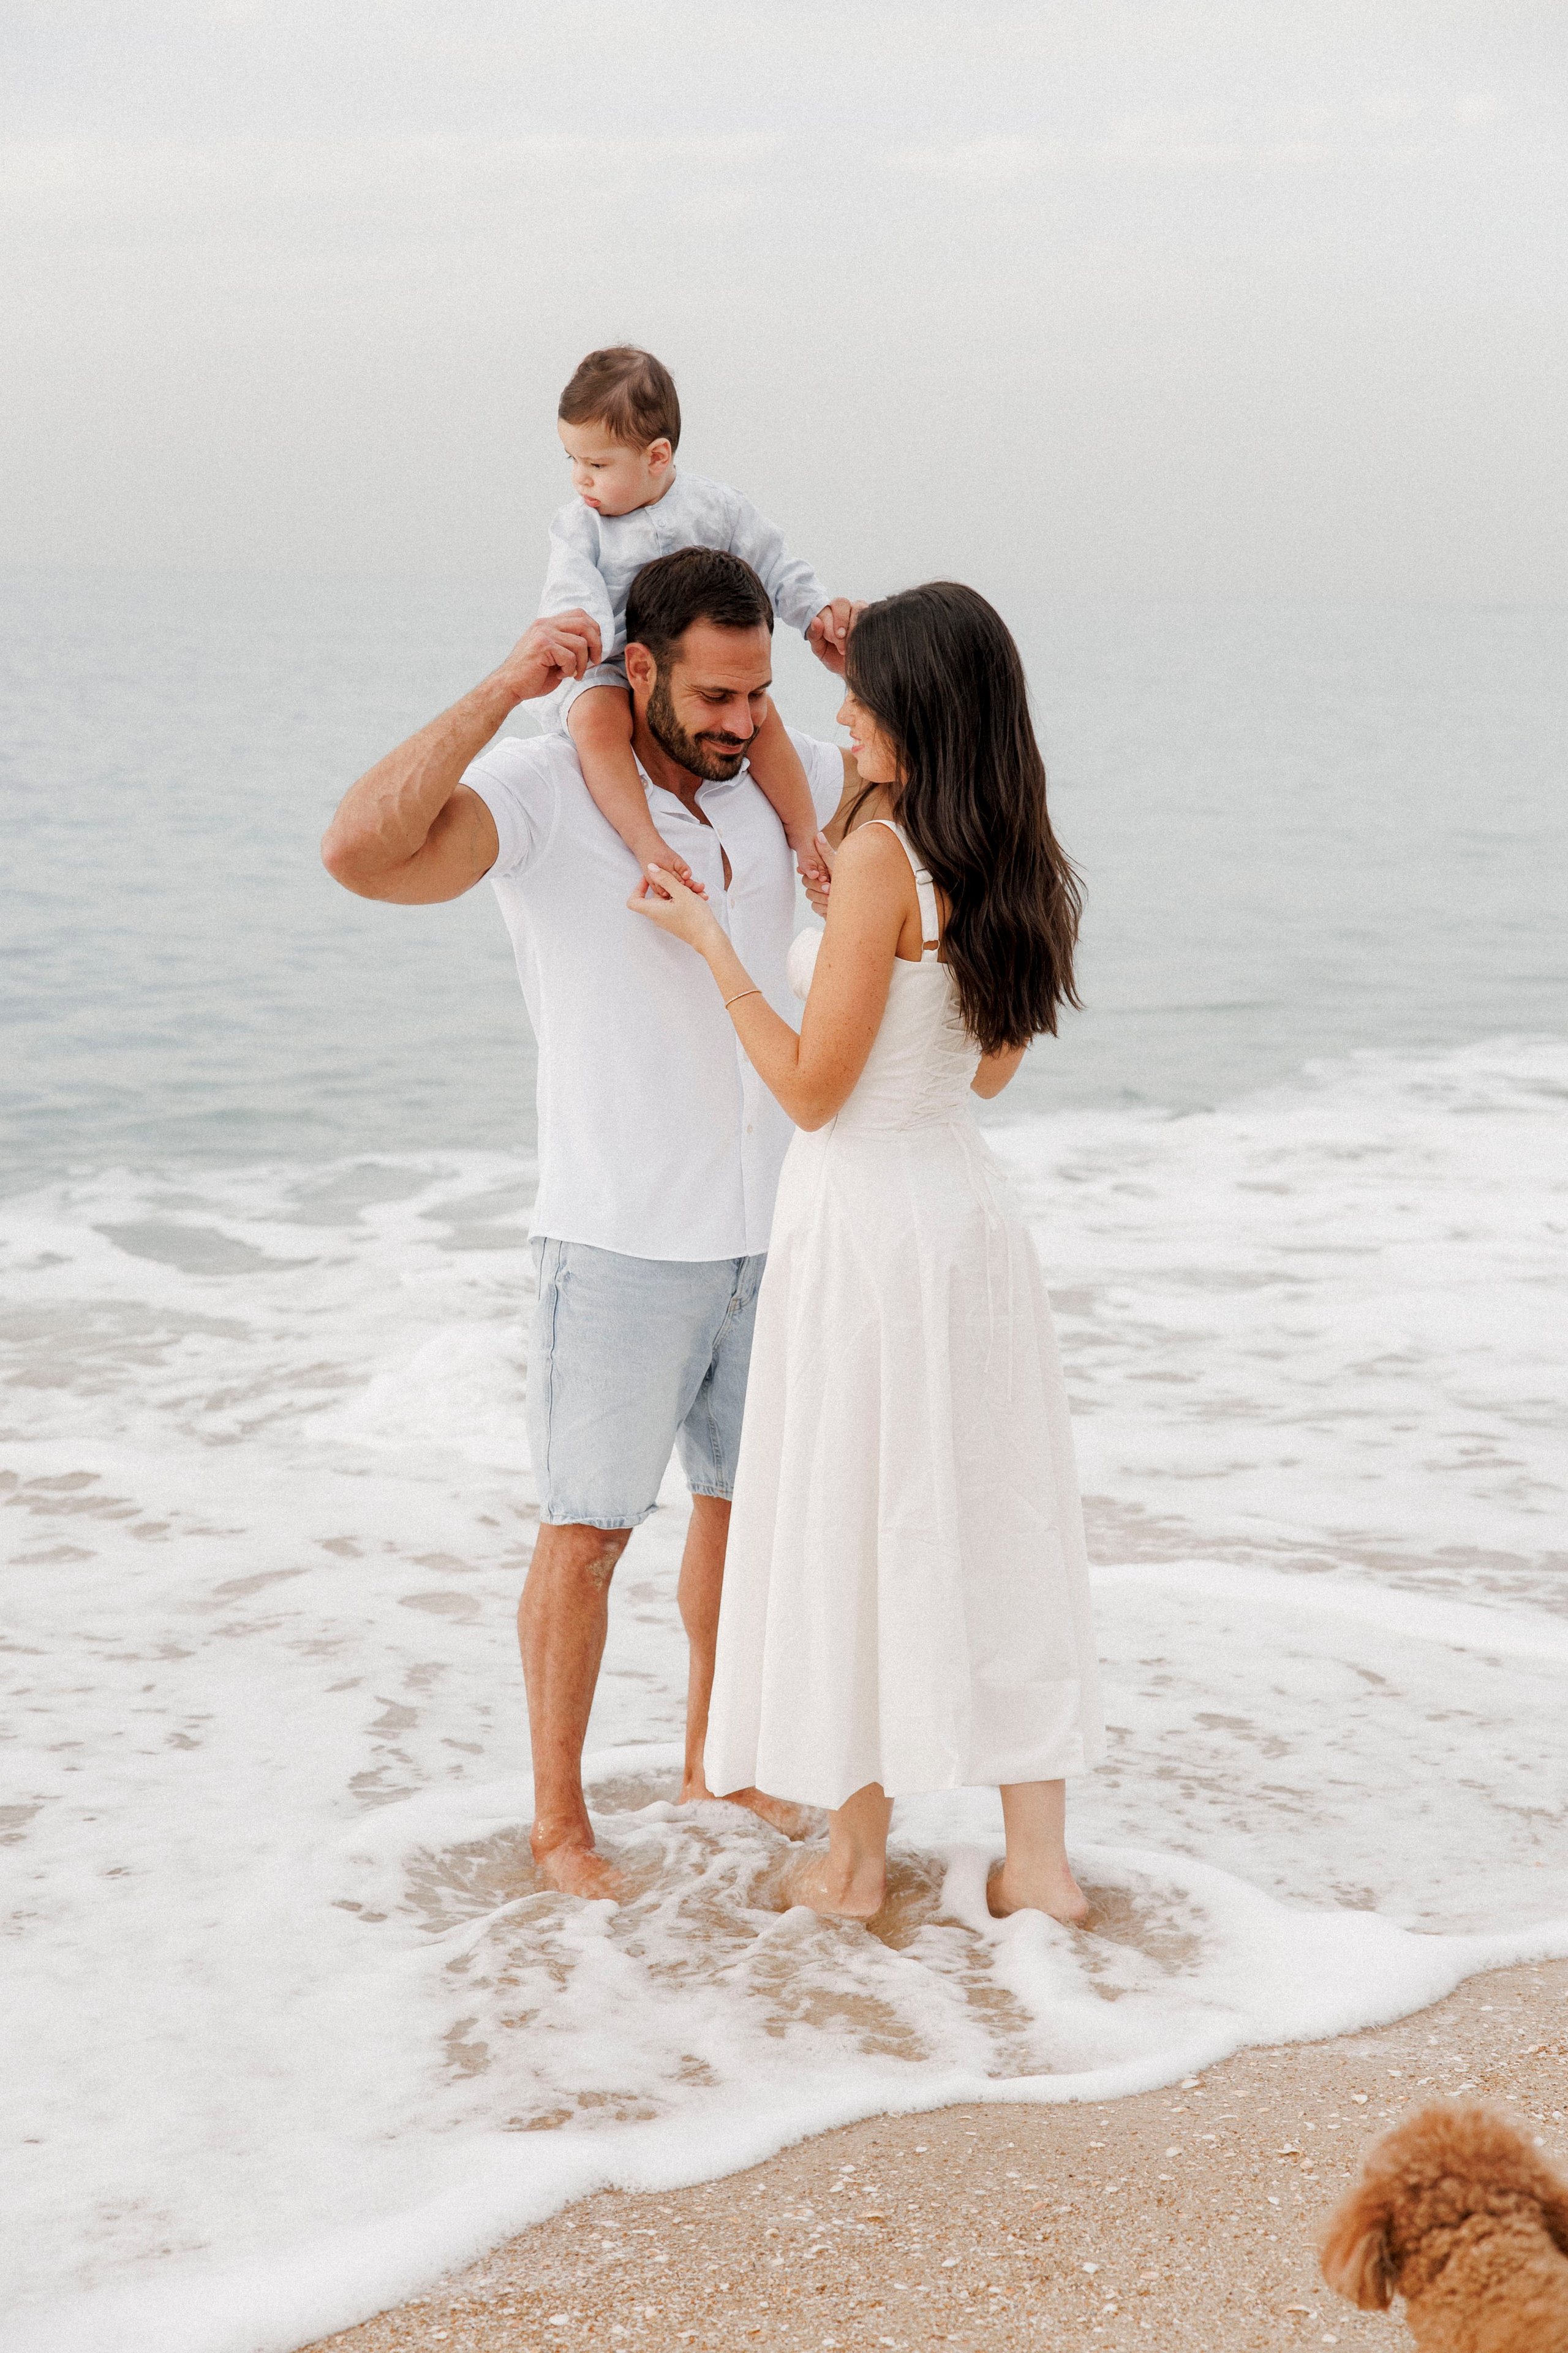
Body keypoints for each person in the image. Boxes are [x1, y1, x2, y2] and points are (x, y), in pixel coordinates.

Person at [320, 548, 856, 1898]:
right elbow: (357, 853)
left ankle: (712, 1767)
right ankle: (558, 1826)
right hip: (618, 1235)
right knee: (588, 1534)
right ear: (640, 671)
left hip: (775, 1222)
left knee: (741, 1514)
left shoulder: (758, 802)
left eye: (758, 695)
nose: (740, 722)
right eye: (717, 696)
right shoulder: (549, 793)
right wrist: (504, 685)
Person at [630, 581, 1106, 1924]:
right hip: (966, 1217)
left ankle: (850, 1864)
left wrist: (714, 949)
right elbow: (989, 1074)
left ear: (913, 715)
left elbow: (808, 1091)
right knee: (998, 1516)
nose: (835, 713)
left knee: (858, 1514)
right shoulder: (1014, 860)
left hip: (863, 1225)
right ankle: (1040, 1865)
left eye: (858, 696)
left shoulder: (890, 863)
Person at [541, 345, 855, 895]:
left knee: (760, 720)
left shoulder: (717, 508)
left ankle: (806, 836)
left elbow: (775, 563)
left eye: (596, 464)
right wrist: (586, 633)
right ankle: (646, 841)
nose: (579, 480)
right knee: (598, 723)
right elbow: (572, 589)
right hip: (610, 662)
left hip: (699, 669)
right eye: (572, 460)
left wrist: (815, 614)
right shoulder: (580, 527)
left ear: (657, 457)